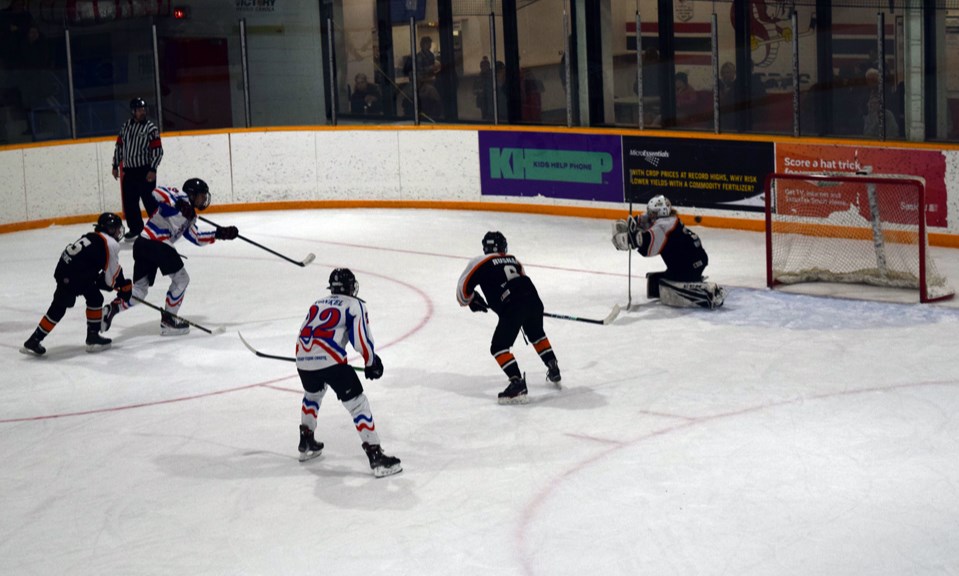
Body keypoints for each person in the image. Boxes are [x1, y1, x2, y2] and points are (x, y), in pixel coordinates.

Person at [295, 268, 402, 478]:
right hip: (331, 362)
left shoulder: (317, 303)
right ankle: (375, 455)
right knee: (358, 403)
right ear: (351, 287)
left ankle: (306, 440)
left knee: (312, 395)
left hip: (302, 359)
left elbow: (305, 331)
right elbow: (361, 339)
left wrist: (309, 358)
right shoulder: (355, 304)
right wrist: (371, 362)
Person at [100, 178, 238, 336]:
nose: (203, 199)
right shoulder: (178, 195)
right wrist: (178, 203)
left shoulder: (191, 215)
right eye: (201, 195)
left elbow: (197, 237)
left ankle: (111, 309)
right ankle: (169, 320)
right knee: (182, 279)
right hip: (156, 243)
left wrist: (220, 233)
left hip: (144, 244)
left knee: (139, 291)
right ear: (192, 195)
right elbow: (156, 193)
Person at [456, 231, 561, 405]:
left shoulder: (479, 261)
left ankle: (517, 383)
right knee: (536, 333)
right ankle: (552, 365)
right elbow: (521, 281)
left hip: (513, 305)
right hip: (533, 299)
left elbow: (461, 293)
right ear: (503, 247)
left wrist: (471, 299)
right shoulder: (514, 260)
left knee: (499, 348)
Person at [20, 213, 133, 356]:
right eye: (116, 229)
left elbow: (89, 264)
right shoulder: (110, 243)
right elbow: (111, 279)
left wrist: (98, 280)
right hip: (74, 276)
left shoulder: (92, 236)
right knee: (65, 306)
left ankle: (36, 339)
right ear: (110, 229)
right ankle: (37, 340)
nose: (118, 232)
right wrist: (123, 287)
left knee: (92, 298)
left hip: (66, 270)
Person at [612, 195, 725, 309]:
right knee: (659, 281)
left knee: (669, 282)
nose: (650, 215)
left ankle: (707, 293)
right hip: (695, 258)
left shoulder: (663, 226)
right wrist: (632, 224)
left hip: (691, 265)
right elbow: (645, 219)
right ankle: (680, 275)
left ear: (660, 212)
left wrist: (634, 241)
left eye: (652, 213)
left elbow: (648, 246)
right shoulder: (667, 219)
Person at [112, 98, 163, 240]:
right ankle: (135, 228)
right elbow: (119, 147)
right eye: (140, 110)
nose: (143, 112)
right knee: (130, 202)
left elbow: (157, 151)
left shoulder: (151, 128)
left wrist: (153, 169)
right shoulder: (126, 127)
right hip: (129, 171)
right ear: (133, 111)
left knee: (149, 200)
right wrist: (115, 165)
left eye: (144, 109)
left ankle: (158, 227)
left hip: (145, 170)